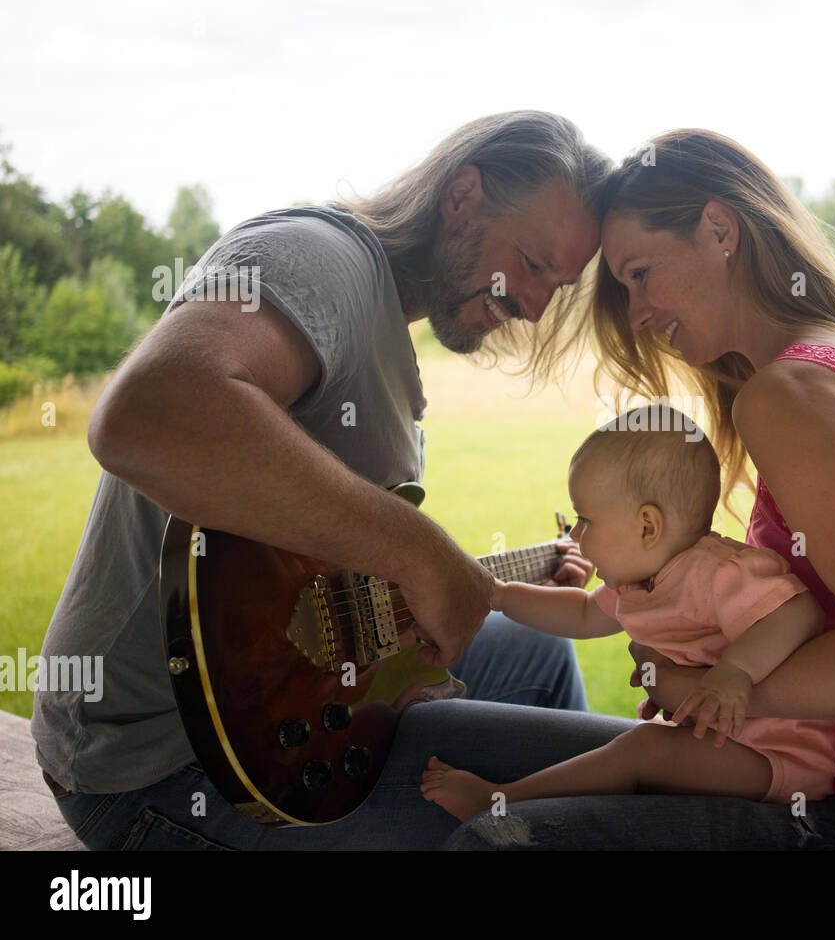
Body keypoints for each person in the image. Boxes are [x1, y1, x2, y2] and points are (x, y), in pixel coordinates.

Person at [427, 130, 835, 850]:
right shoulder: (820, 362)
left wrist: (726, 686)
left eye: (641, 274)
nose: (637, 312)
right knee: (442, 740)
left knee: (493, 842)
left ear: (719, 227)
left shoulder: (789, 395)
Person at [31, 110, 615, 849]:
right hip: (164, 763)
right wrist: (423, 553)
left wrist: (412, 641)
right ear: (461, 195)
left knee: (537, 651)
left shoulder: (387, 345)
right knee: (598, 793)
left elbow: (311, 573)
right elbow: (146, 414)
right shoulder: (320, 258)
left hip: (286, 704)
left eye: (556, 287)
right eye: (533, 264)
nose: (533, 307)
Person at [421, 411, 835, 819]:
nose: (574, 534)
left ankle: (500, 801)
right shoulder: (641, 581)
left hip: (782, 757)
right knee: (640, 752)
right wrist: (498, 594)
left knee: (643, 749)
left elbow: (797, 612)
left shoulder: (717, 572)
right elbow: (583, 614)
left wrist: (736, 671)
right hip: (728, 742)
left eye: (585, 519)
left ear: (647, 527)